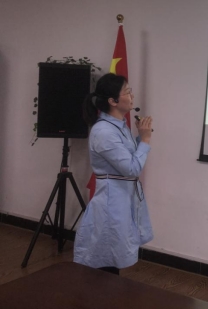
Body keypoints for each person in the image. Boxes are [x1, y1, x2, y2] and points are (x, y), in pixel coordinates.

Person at [74, 73, 153, 275]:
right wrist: (145, 140)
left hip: (123, 196)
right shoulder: (104, 132)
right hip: (112, 200)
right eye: (127, 92)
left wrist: (139, 138)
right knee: (107, 255)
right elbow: (132, 168)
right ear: (113, 101)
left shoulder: (120, 126)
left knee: (113, 253)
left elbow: (130, 159)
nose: (132, 96)